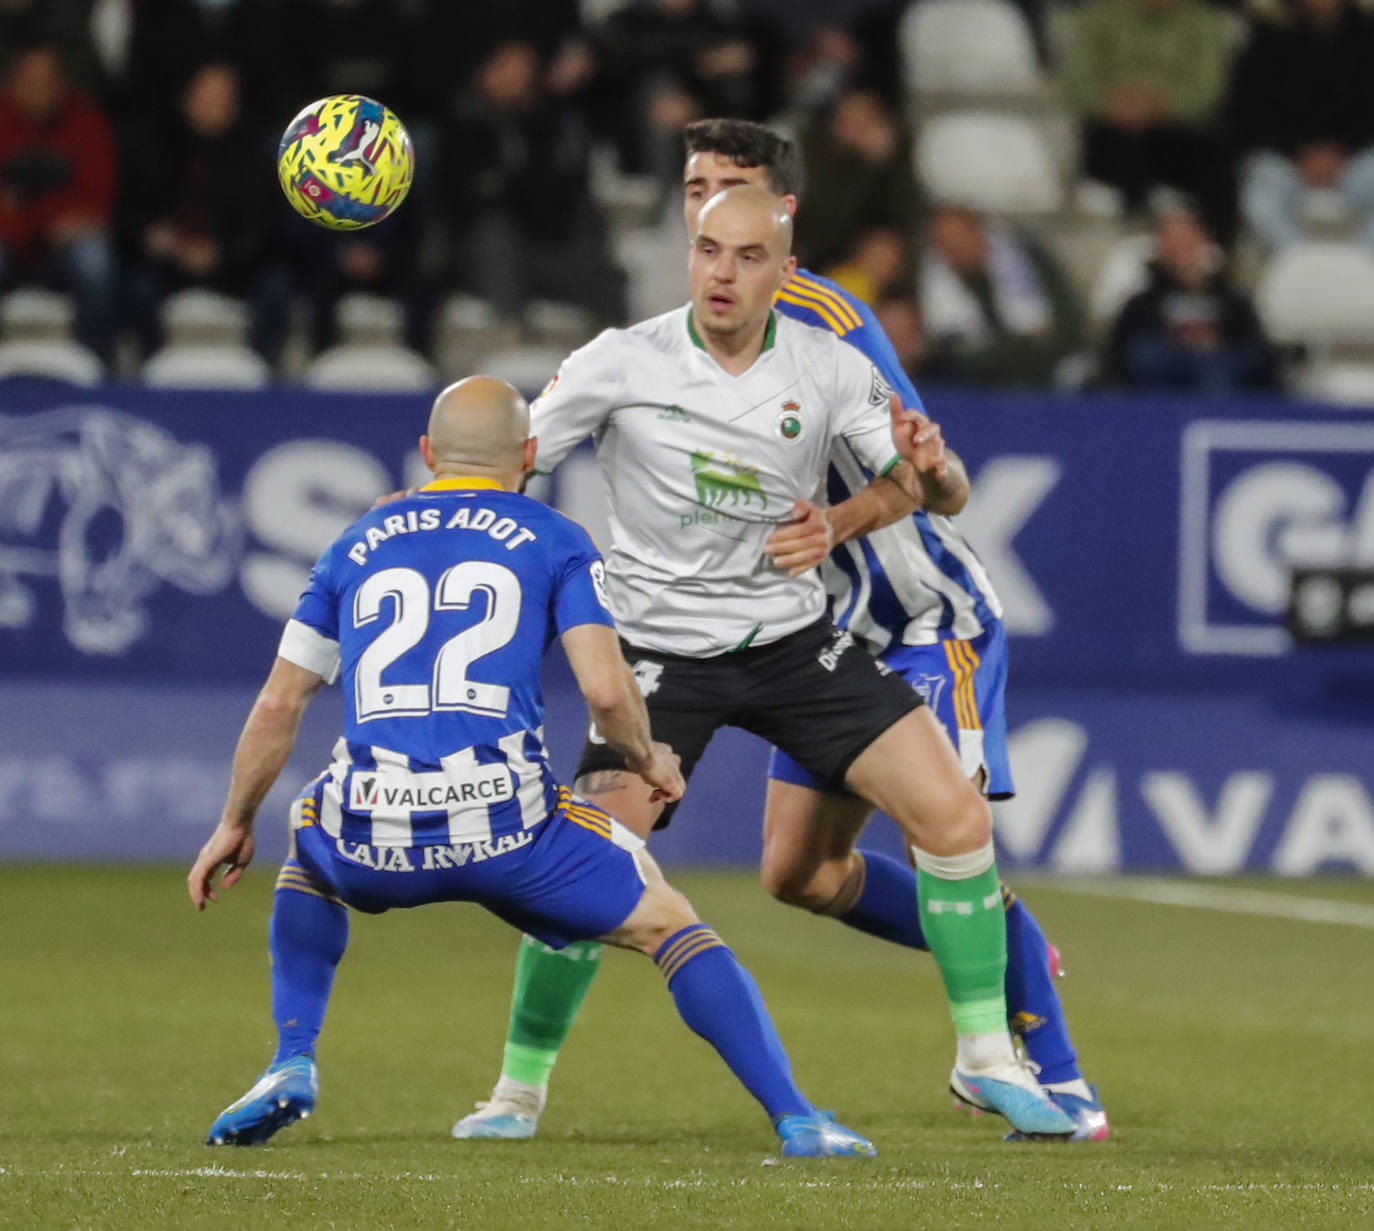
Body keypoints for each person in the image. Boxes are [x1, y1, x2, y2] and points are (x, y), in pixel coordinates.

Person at [454, 119, 1107, 1145]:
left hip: (801, 644)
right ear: (689, 254)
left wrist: (918, 473)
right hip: (664, 656)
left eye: (747, 255)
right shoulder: (621, 360)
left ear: (783, 265)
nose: (723, 273)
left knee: (955, 818)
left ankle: (991, 1058)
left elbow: (935, 487)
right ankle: (517, 1090)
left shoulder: (831, 361)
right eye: (708, 249)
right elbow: (513, 460)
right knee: (590, 859)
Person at [187, 376, 876, 1159]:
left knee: (309, 836)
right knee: (670, 923)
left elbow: (280, 705)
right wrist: (649, 758)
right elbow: (608, 690)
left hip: (373, 829)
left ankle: (292, 1058)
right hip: (507, 828)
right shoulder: (554, 537)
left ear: (427, 455)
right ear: (527, 455)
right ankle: (797, 1117)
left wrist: (233, 823)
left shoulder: (356, 541)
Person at [1227, 0, 1374, 253]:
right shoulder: (1269, 36)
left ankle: (1360, 268)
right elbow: (1248, 113)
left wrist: (1342, 152)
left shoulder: (1368, 36)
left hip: (1354, 160)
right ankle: (1297, 261)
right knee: (1258, 194)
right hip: (1287, 162)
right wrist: (1298, 153)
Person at [0, 41, 117, 356]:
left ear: (62, 83)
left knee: (95, 260)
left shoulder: (87, 121)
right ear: (14, 83)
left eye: (48, 81)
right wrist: (38, 224)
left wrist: (21, 207)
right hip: (12, 243)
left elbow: (99, 196)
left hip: (68, 244)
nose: (40, 90)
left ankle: (94, 364)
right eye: (30, 81)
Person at [1105, 193, 1274, 391]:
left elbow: (1256, 353)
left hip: (1219, 381)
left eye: (1187, 242)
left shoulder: (1233, 301)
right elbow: (1126, 356)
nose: (1181, 252)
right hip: (1162, 386)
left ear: (1204, 243)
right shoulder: (1141, 304)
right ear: (1160, 250)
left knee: (1220, 373)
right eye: (1173, 244)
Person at [918, 203, 1085, 389]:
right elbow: (952, 355)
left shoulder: (1029, 262)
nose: (956, 248)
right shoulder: (927, 285)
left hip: (1047, 375)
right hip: (977, 386)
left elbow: (1067, 324)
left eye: (961, 238)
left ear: (979, 233)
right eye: (946, 243)